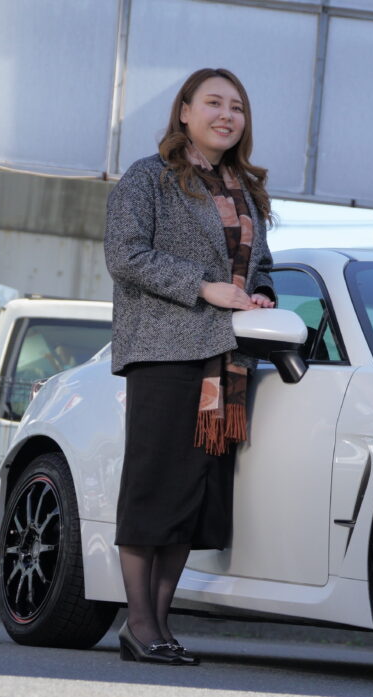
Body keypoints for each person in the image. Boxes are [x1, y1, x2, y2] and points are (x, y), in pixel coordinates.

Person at [103, 67, 276, 665]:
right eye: (214, 103)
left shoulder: (245, 190)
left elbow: (262, 266)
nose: (227, 115)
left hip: (224, 360)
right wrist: (205, 287)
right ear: (184, 111)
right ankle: (139, 622)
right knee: (154, 488)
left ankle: (159, 623)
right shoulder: (148, 178)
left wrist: (262, 296)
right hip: (163, 351)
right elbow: (125, 255)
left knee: (191, 495)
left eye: (237, 107)